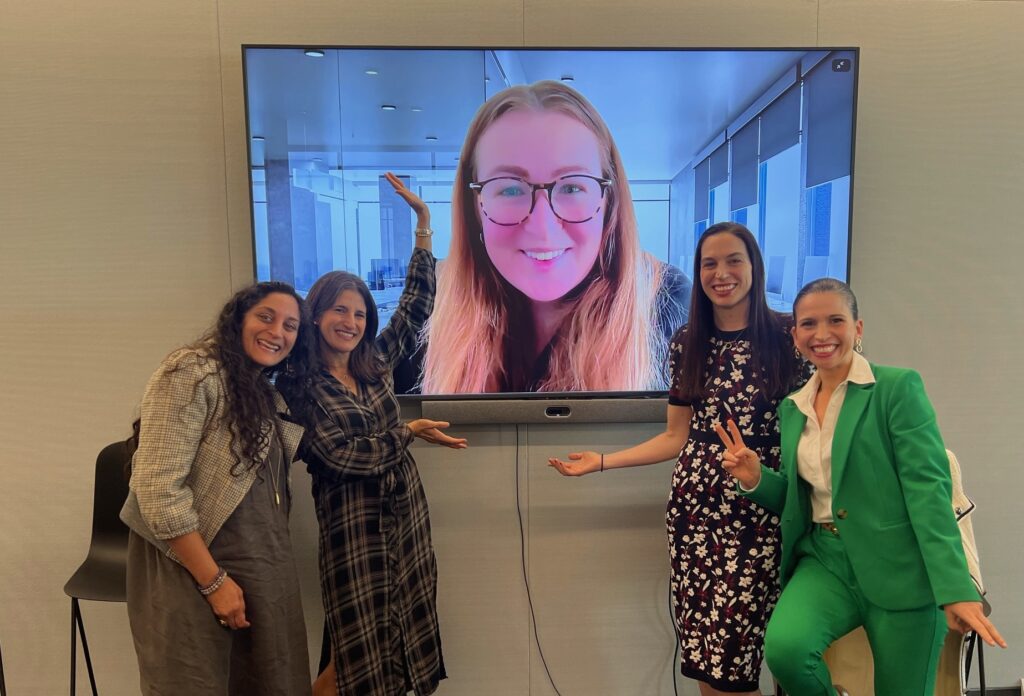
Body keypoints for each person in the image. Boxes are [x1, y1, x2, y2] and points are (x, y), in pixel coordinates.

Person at [549, 222, 809, 695]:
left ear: (754, 266)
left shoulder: (789, 337)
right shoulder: (687, 341)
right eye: (709, 264)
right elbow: (675, 437)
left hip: (762, 512)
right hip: (695, 516)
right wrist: (603, 461)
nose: (721, 273)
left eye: (734, 260)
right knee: (706, 657)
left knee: (746, 657)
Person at [717, 277, 1006, 695]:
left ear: (858, 328)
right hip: (826, 561)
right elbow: (806, 501)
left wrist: (955, 589)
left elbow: (929, 494)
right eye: (809, 324)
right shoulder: (793, 407)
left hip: (901, 565)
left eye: (835, 320)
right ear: (795, 334)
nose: (821, 334)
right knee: (786, 651)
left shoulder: (896, 389)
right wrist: (756, 480)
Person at [281, 172, 467, 696]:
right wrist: (405, 433)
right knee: (355, 655)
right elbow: (339, 456)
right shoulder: (300, 385)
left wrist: (424, 226)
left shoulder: (375, 363)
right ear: (315, 315)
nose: (352, 321)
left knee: (404, 637)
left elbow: (415, 306)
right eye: (339, 309)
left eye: (360, 312)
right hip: (352, 533)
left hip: (405, 519)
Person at [417, 79, 690, 393]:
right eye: (509, 188)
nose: (543, 226)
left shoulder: (668, 304)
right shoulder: (433, 305)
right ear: (474, 208)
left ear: (608, 201)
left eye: (572, 187)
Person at [120, 281, 317, 695]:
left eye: (291, 325)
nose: (278, 331)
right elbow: (158, 491)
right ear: (238, 319)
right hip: (192, 568)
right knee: (196, 681)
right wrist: (213, 582)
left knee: (269, 679)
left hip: (259, 568)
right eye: (266, 317)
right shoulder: (191, 371)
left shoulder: (261, 391)